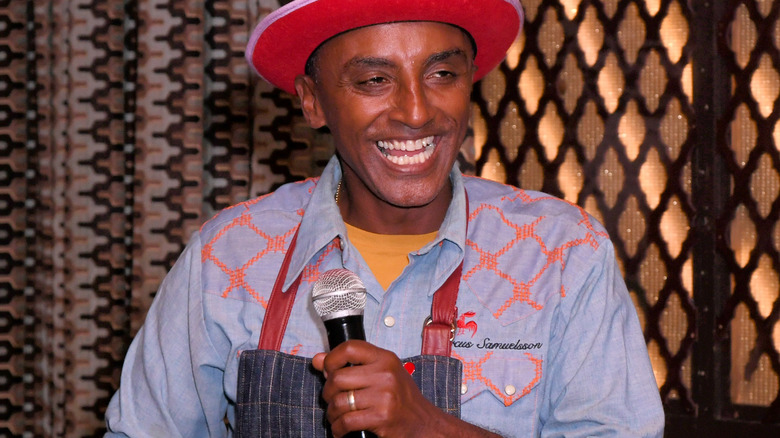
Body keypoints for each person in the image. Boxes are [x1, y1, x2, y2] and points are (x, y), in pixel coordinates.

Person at [105, 0, 665, 436]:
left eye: (442, 74)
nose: (416, 111)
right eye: (374, 80)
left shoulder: (561, 254)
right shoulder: (228, 256)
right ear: (313, 101)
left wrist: (431, 429)